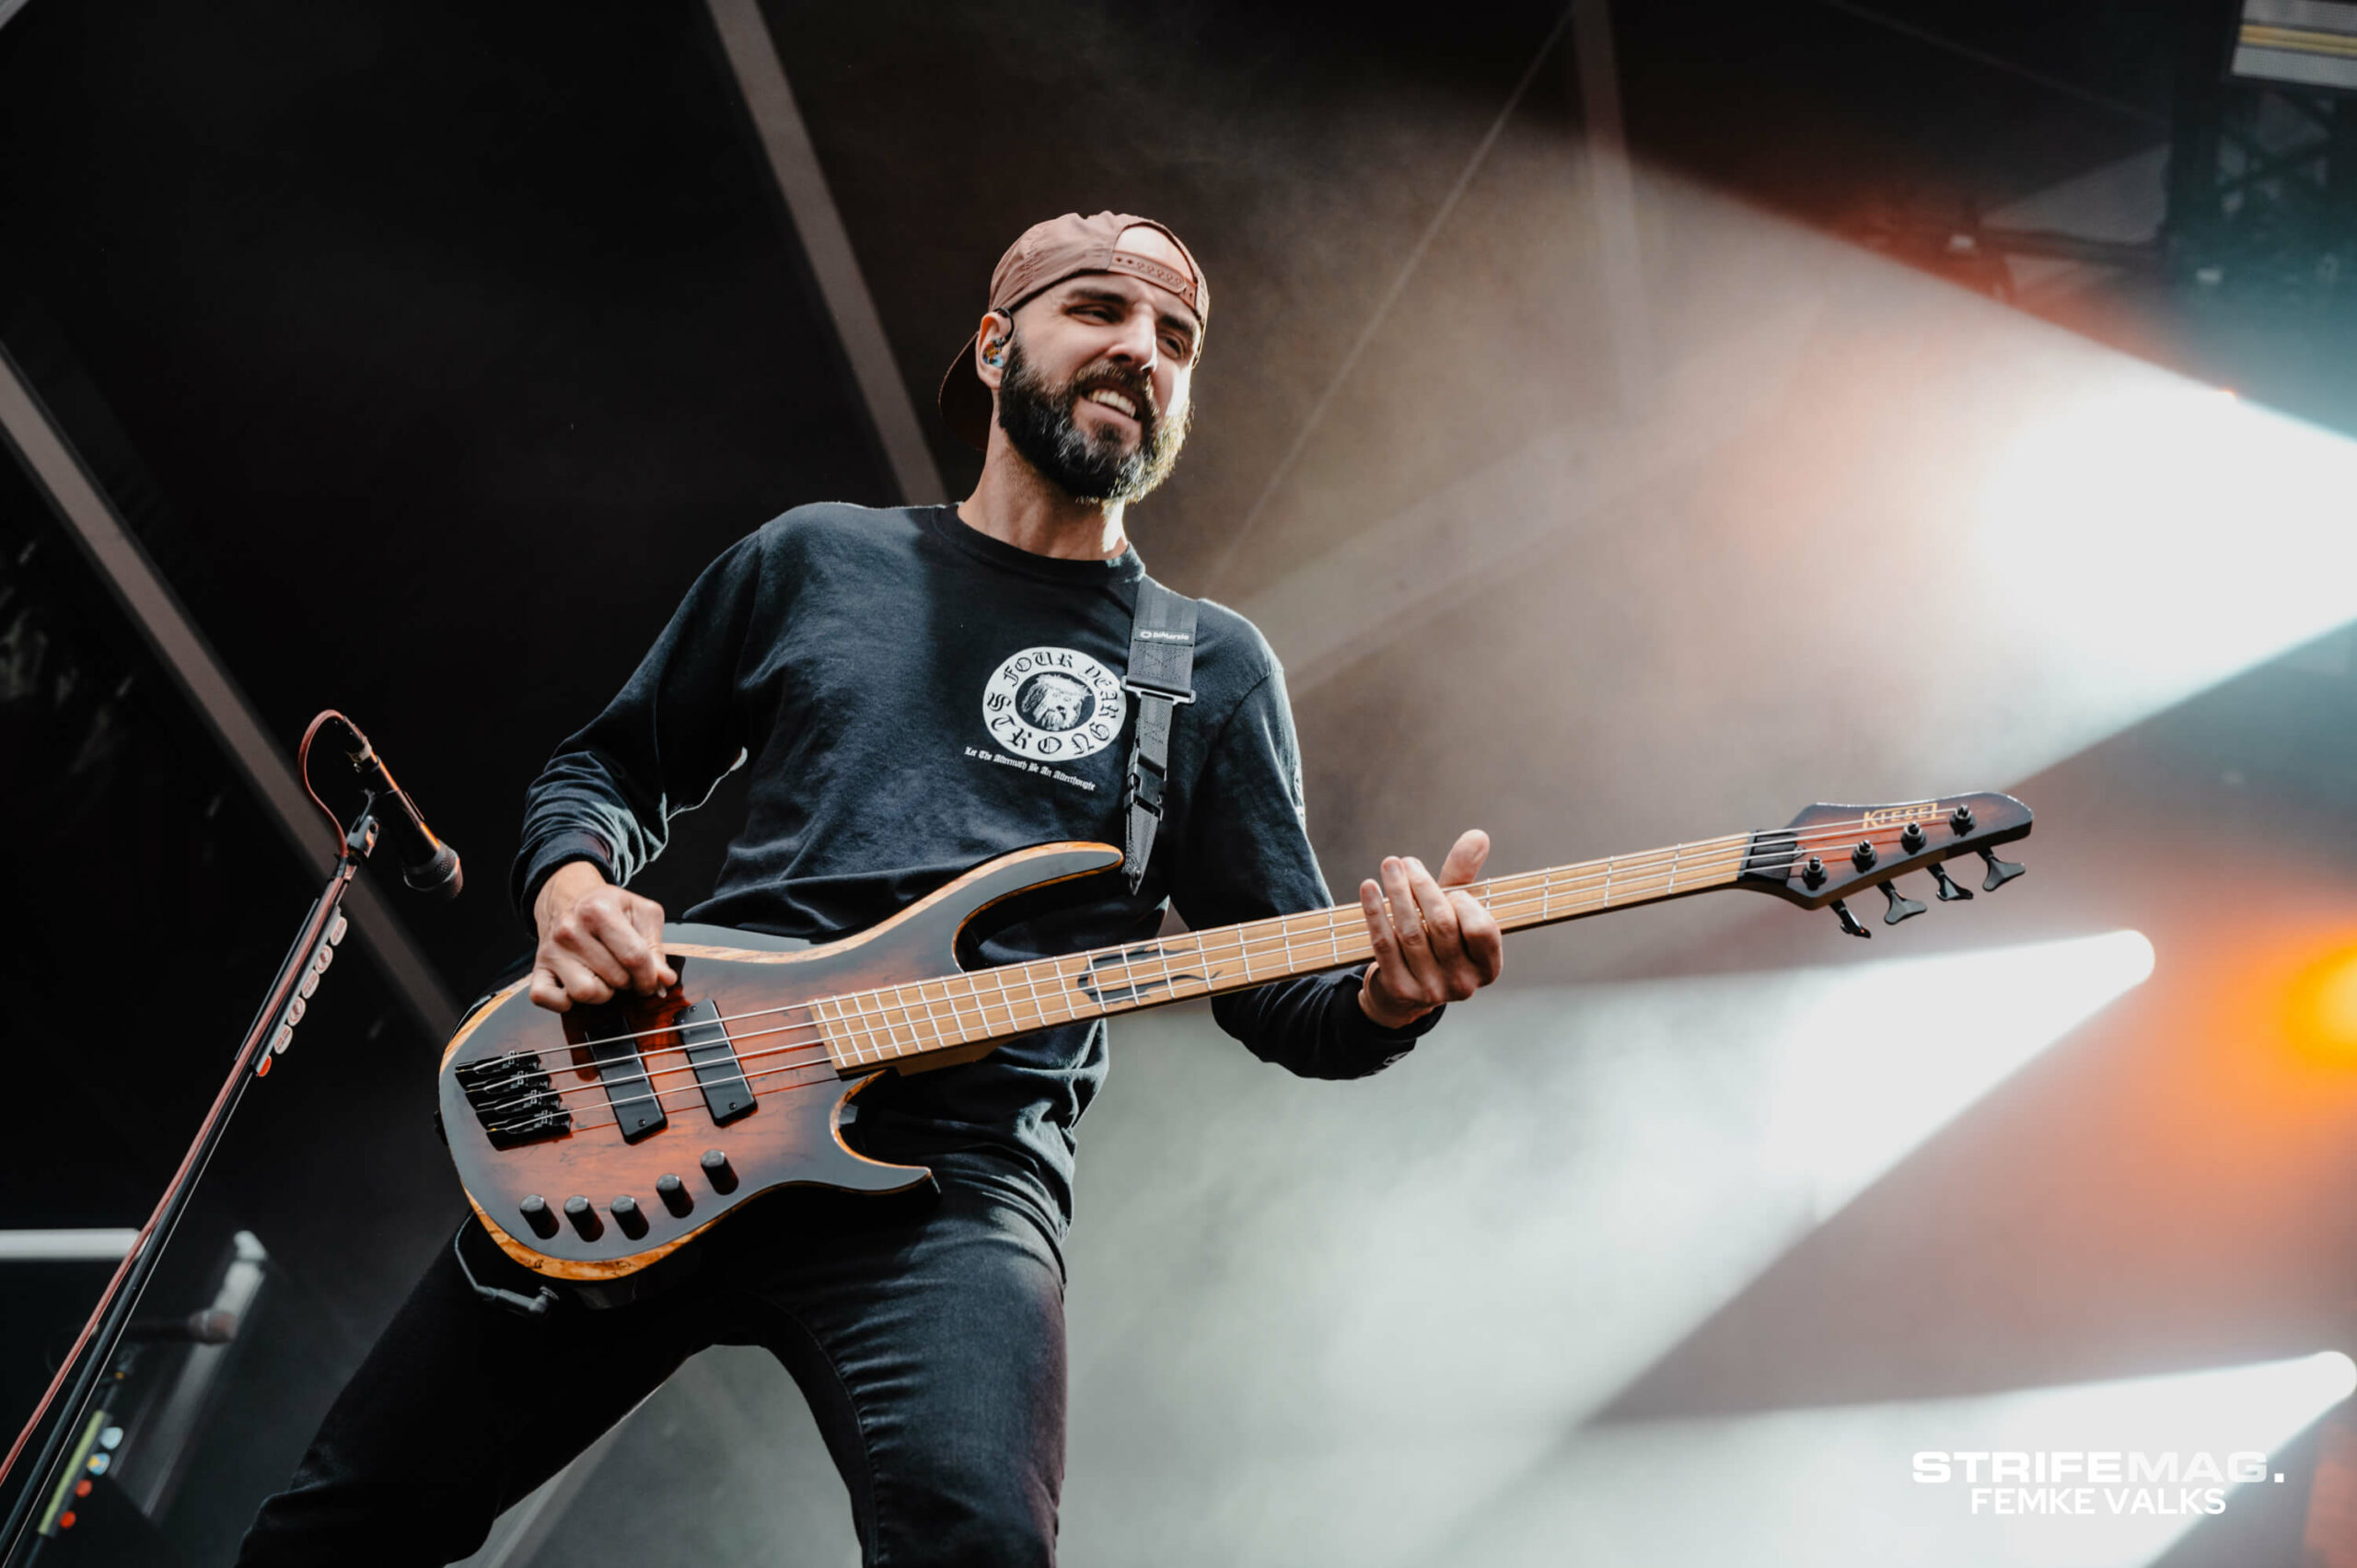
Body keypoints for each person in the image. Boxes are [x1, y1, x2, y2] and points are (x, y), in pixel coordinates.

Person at [237, 212, 1503, 1567]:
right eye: (1100, 313)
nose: (1142, 352)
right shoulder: (818, 561)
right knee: (338, 1529)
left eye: (1177, 341)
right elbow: (603, 769)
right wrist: (572, 890)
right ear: (997, 341)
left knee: (976, 1543)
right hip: (670, 1085)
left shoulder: (1207, 668)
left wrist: (1384, 996)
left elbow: (1280, 993)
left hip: (954, 1178)